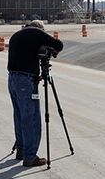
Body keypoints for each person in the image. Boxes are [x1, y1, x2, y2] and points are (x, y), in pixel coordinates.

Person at [7, 20, 63, 167]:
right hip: (26, 81)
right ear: (40, 29)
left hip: (12, 79)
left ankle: (22, 149)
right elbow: (59, 45)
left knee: (19, 115)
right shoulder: (37, 33)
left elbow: (25, 55)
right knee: (31, 118)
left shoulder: (16, 35)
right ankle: (30, 156)